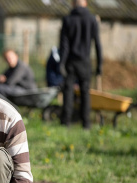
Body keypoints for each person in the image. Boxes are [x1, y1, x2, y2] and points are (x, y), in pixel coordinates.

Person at [59, 0, 102, 129]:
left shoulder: (68, 19)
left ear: (73, 4)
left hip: (71, 62)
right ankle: (86, 124)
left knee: (68, 92)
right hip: (85, 62)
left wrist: (62, 63)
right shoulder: (92, 19)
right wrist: (100, 64)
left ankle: (65, 122)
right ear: (86, 3)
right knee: (85, 93)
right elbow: (98, 44)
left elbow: (64, 45)